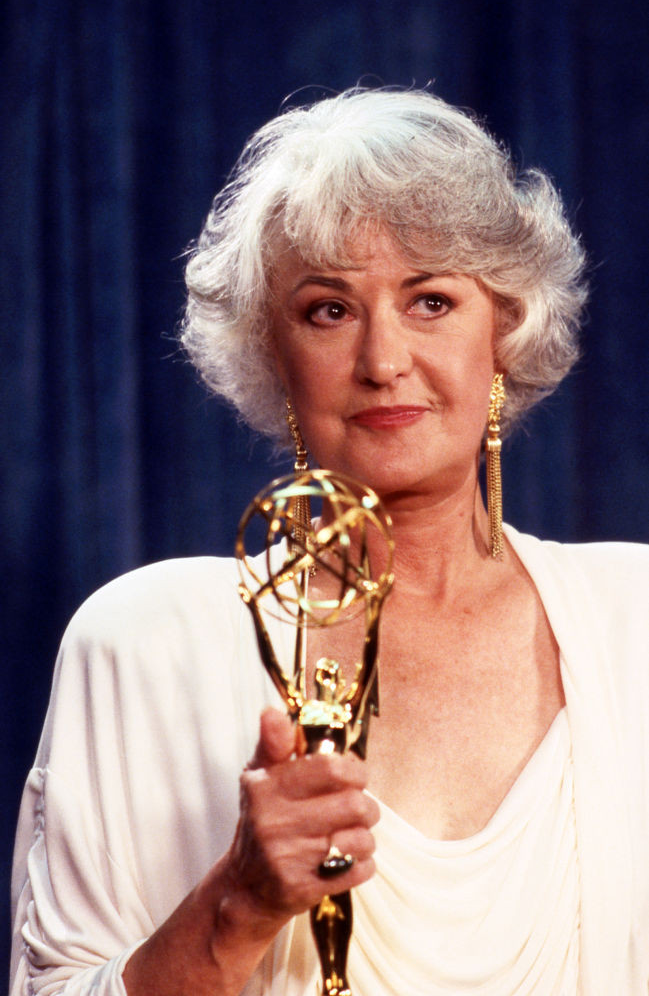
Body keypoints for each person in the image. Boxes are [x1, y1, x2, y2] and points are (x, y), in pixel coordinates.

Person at [10, 87, 649, 996]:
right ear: (272, 357)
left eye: (430, 301)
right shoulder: (144, 643)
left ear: (504, 335)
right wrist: (238, 906)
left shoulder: (635, 620)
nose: (383, 361)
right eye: (328, 311)